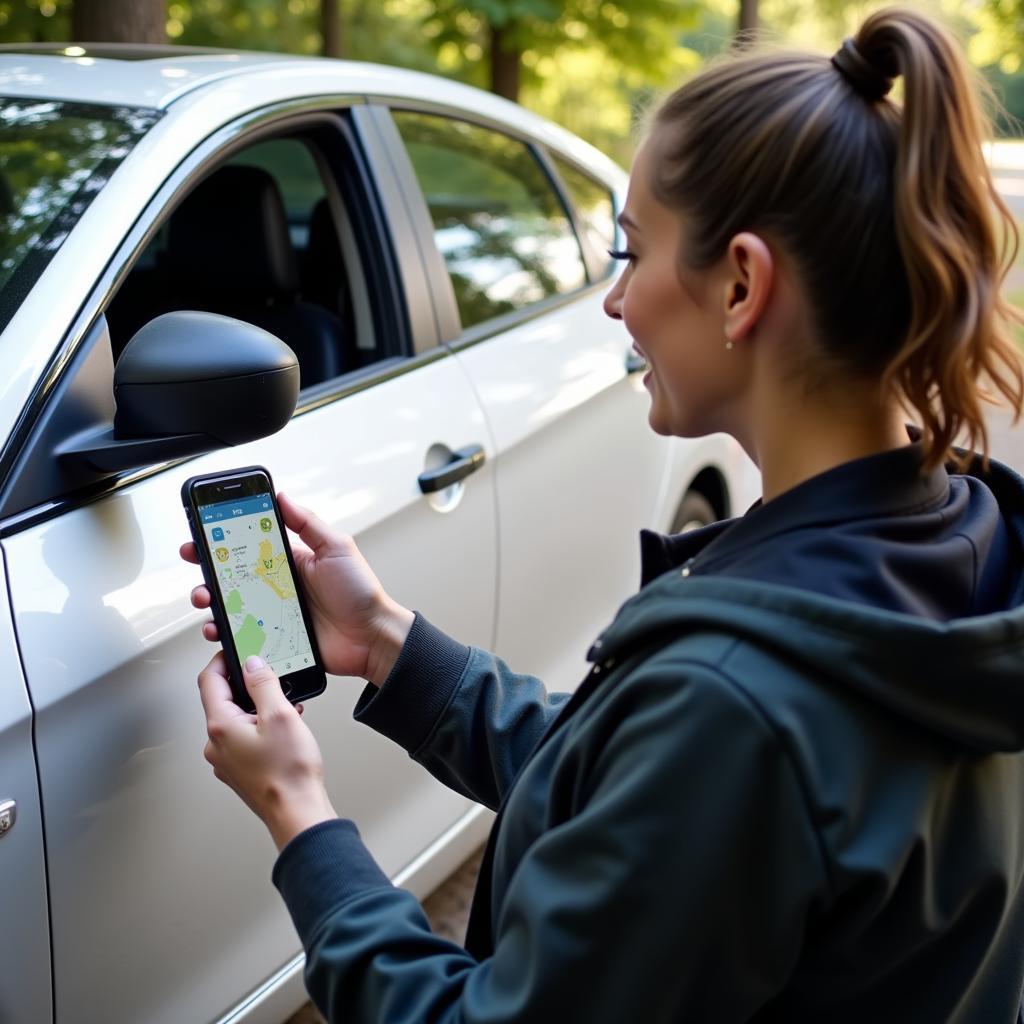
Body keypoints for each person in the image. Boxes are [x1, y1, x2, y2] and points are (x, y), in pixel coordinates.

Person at [182, 7, 1024, 1021]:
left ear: (742, 284)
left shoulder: (740, 703)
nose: (613, 301)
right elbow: (650, 809)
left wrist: (300, 816)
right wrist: (387, 643)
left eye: (630, 252)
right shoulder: (952, 541)